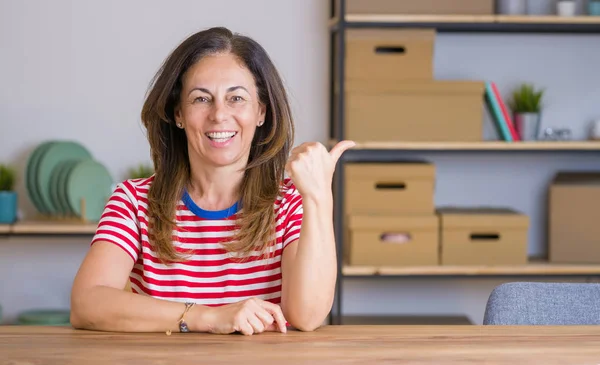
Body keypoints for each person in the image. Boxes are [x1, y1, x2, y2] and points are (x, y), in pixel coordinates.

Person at [69, 26, 354, 335]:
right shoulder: (133, 201)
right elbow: (86, 304)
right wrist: (209, 317)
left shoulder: (289, 204)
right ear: (178, 113)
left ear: (261, 112)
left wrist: (319, 197)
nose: (219, 114)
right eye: (201, 99)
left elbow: (308, 316)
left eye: (236, 98)